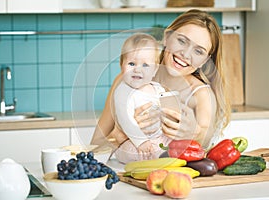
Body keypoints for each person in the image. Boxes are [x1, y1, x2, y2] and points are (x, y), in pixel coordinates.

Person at [91, 9, 231, 162]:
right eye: (182, 41)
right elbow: (94, 148)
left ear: (204, 61)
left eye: (198, 51)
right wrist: (119, 135)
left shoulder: (200, 94)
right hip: (128, 176)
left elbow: (204, 149)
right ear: (167, 37)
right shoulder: (127, 80)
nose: (186, 54)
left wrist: (192, 132)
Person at [112, 33, 172, 163]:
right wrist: (141, 141)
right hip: (133, 140)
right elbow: (126, 120)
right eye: (132, 64)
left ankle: (163, 154)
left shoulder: (157, 88)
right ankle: (156, 156)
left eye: (145, 65)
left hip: (158, 137)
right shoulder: (123, 91)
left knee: (178, 144)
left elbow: (168, 112)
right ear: (121, 65)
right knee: (132, 152)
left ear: (155, 69)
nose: (137, 70)